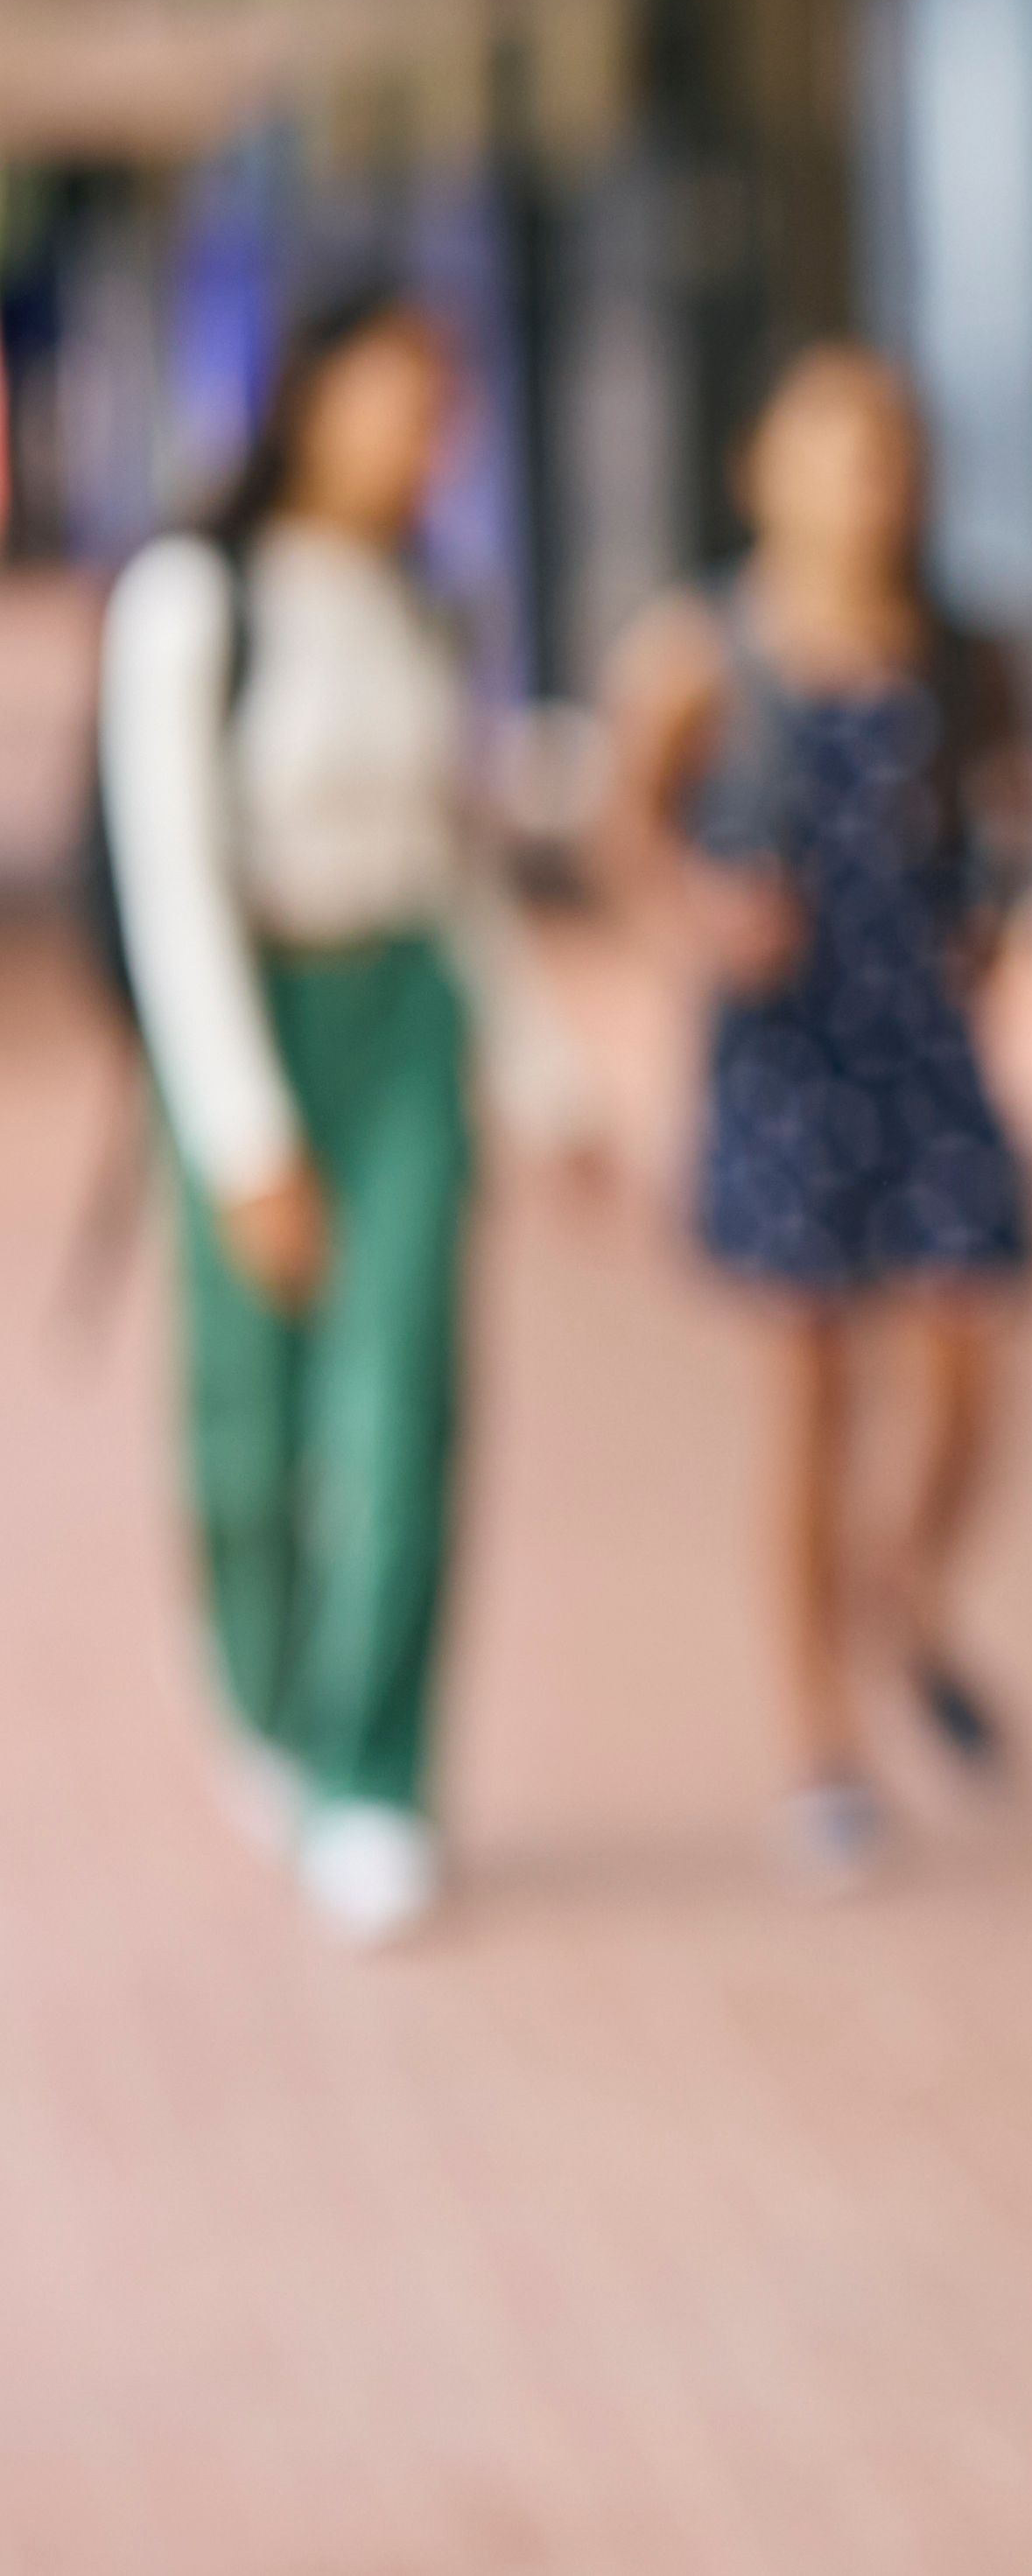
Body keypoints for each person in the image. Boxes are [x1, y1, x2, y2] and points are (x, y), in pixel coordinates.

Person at [96, 284, 592, 1946]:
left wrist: (545, 1075)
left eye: (434, 406)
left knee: (404, 1404)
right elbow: (171, 877)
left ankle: (376, 1769)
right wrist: (243, 1134)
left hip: (406, 1024)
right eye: (385, 398)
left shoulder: (422, 604)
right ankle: (269, 1696)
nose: (410, 438)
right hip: (255, 1007)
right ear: (309, 398)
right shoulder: (192, 595)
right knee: (248, 1426)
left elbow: (454, 866)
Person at [595, 346, 1032, 1888]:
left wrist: (1000, 909)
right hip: (784, 1056)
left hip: (924, 1043)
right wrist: (698, 917)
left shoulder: (967, 645)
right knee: (808, 1396)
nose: (870, 484)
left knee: (972, 1362)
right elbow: (625, 834)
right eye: (835, 450)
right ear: (763, 472)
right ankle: (820, 1738)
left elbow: (1009, 813)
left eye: (890, 452)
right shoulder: (702, 649)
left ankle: (898, 1593)